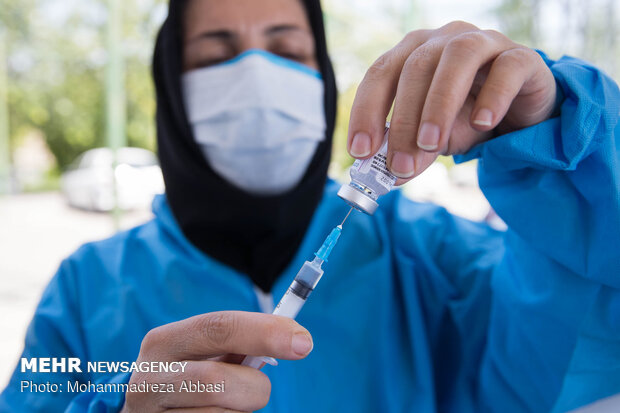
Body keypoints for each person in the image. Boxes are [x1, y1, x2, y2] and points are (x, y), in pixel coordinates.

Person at [1, 0, 619, 411]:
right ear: (169, 88)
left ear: (322, 75)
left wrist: (559, 137)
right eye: (216, 54)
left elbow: (587, 327)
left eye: (287, 49)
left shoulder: (435, 255)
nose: (255, 75)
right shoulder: (85, 288)